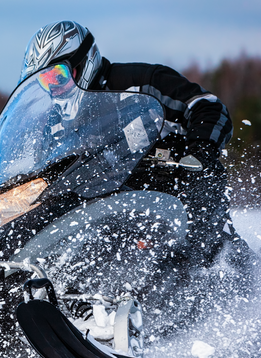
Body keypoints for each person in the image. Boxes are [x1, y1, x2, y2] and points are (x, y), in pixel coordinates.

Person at [19, 20, 241, 267]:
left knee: (201, 251)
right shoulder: (56, 123)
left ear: (83, 63)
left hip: (177, 190)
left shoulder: (142, 82)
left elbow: (208, 106)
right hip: (112, 212)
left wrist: (200, 150)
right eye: (44, 81)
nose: (53, 88)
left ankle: (232, 273)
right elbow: (52, 169)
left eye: (57, 76)